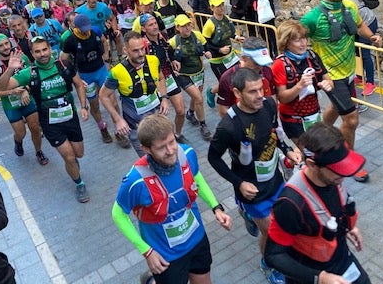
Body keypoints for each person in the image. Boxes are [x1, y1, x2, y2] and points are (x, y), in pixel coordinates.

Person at [112, 114, 232, 284]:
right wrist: (146, 251)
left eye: (172, 142)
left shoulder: (187, 154)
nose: (170, 151)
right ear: (146, 149)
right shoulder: (135, 181)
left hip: (196, 239)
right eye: (162, 147)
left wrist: (216, 207)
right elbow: (118, 214)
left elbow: (196, 177)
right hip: (165, 255)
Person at [208, 67, 302, 284]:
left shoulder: (269, 104)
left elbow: (274, 133)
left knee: (284, 223)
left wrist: (288, 150)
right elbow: (213, 158)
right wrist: (239, 183)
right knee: (272, 234)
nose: (260, 95)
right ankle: (268, 264)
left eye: (261, 89)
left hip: (275, 180)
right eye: (252, 92)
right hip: (252, 191)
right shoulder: (229, 126)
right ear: (237, 93)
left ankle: (249, 216)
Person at [300, 0, 382, 183]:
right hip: (330, 75)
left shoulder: (350, 6)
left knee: (336, 108)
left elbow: (359, 26)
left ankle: (312, 138)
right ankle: (347, 161)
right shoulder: (312, 18)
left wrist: (371, 36)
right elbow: (294, 36)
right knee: (351, 119)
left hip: (348, 72)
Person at [264, 123, 369, 284]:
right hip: (309, 273)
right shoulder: (290, 203)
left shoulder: (333, 177)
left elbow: (335, 209)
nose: (343, 175)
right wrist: (319, 278)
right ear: (312, 164)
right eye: (337, 169)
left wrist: (348, 227)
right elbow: (274, 255)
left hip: (340, 259)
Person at [0, 37, 92, 203]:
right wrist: (10, 69)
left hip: (71, 118)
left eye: (44, 49)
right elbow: (1, 87)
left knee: (79, 154)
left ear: (50, 49)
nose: (42, 54)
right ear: (32, 54)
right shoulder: (29, 73)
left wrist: (83, 106)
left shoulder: (63, 65)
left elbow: (78, 84)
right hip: (50, 123)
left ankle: (73, 164)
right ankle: (79, 183)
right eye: (37, 51)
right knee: (69, 157)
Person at [99, 31, 170, 156]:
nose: (141, 53)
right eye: (136, 51)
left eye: (142, 49)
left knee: (167, 153)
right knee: (149, 160)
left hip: (158, 119)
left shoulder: (153, 60)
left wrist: (164, 98)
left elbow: (161, 78)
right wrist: (118, 120)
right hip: (137, 127)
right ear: (126, 50)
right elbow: (103, 95)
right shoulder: (117, 72)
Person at [60, 14, 124, 147]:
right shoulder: (70, 40)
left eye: (87, 27)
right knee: (94, 105)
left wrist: (106, 59)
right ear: (75, 27)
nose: (86, 31)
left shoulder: (94, 31)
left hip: (101, 70)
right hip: (85, 75)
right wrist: (74, 77)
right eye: (83, 29)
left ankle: (119, 129)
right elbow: (63, 59)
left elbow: (104, 41)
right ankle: (103, 128)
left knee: (112, 101)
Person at [0, 34, 49, 165]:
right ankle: (18, 141)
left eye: (6, 43)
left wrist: (26, 89)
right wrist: (11, 91)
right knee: (21, 132)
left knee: (35, 127)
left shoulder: (22, 58)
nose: (5, 47)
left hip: (27, 99)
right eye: (1, 46)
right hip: (11, 105)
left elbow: (33, 76)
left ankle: (39, 152)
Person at [273, 20, 333, 146]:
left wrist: (327, 85)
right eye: (297, 40)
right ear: (286, 43)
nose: (303, 43)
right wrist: (300, 86)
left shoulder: (312, 56)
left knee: (319, 152)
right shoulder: (280, 64)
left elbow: (329, 80)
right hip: (294, 120)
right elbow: (282, 98)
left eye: (304, 38)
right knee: (310, 154)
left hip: (314, 115)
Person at [139, 13, 189, 143]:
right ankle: (165, 139)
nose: (155, 26)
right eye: (151, 25)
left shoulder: (163, 36)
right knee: (160, 118)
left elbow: (170, 51)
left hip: (169, 77)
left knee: (181, 111)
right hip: (155, 83)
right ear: (144, 29)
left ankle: (177, 134)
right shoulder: (143, 45)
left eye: (155, 23)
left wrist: (174, 60)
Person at [168, 14, 213, 140]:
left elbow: (205, 45)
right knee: (199, 98)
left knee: (196, 96)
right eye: (184, 26)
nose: (187, 28)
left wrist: (208, 52)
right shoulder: (172, 42)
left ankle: (191, 113)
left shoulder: (197, 35)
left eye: (188, 24)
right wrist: (172, 67)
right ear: (177, 27)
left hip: (199, 71)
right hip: (184, 75)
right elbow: (168, 57)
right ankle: (203, 125)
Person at [215, 37, 276, 118]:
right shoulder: (227, 78)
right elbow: (223, 110)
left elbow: (273, 96)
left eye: (263, 63)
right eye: (256, 63)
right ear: (243, 58)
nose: (261, 67)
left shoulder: (267, 70)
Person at [345, 0, 380, 96]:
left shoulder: (346, 2)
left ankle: (370, 82)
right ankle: (360, 76)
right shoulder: (334, 3)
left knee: (365, 54)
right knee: (357, 51)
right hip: (356, 26)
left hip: (368, 23)